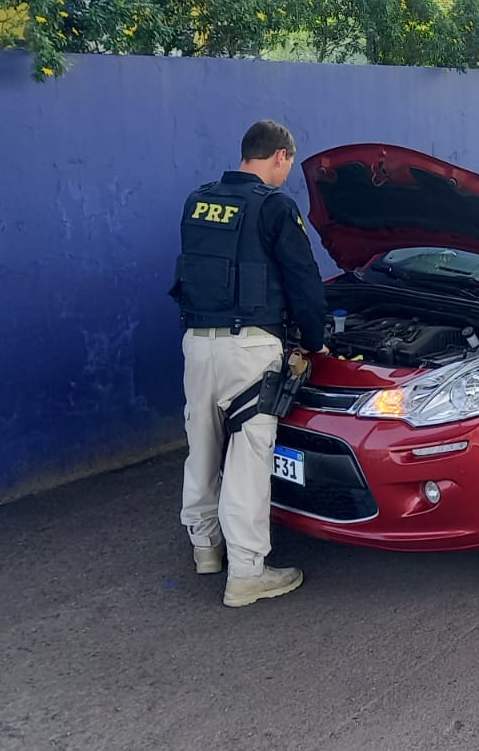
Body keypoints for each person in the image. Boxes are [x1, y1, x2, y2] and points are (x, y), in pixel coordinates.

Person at [170, 120, 327, 607]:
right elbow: (303, 280)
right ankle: (247, 574)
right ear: (279, 155)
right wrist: (315, 341)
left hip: (198, 343)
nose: (287, 173)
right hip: (252, 349)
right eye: (288, 163)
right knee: (247, 462)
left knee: (202, 447)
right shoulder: (275, 206)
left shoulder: (199, 202)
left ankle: (205, 548)